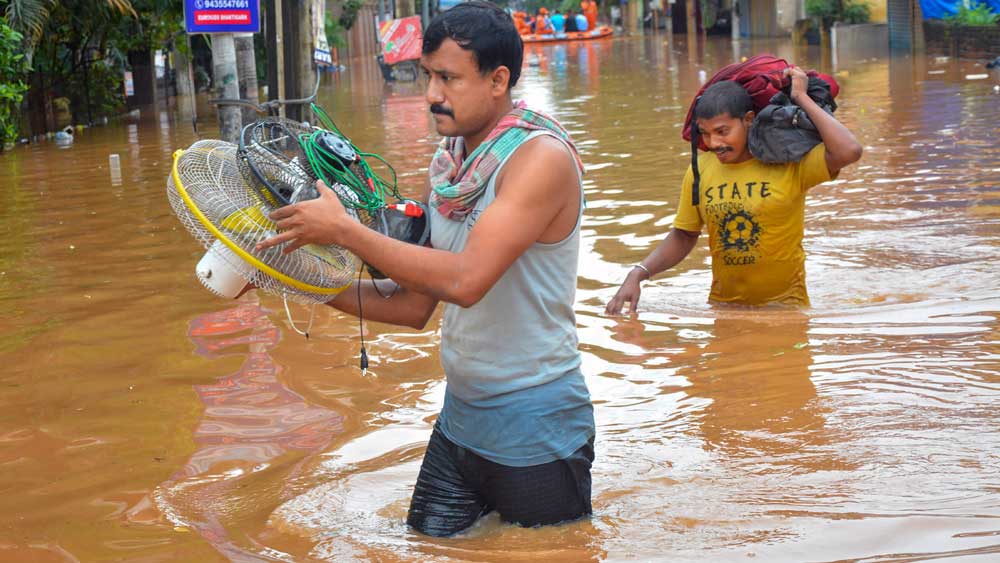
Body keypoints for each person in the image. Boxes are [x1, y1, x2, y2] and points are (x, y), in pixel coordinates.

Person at [257, 1, 595, 538]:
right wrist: (288, 274)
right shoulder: (450, 164)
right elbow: (413, 304)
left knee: (556, 551)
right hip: (461, 420)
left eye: (448, 78)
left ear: (497, 80)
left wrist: (346, 230)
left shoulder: (538, 159)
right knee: (426, 545)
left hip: (534, 424)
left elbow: (465, 282)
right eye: (426, 75)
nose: (432, 94)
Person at [605, 73, 862, 314]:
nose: (714, 143)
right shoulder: (700, 169)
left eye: (722, 131)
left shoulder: (787, 162)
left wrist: (801, 97)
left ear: (748, 120)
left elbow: (849, 150)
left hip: (786, 311)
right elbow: (684, 234)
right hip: (723, 310)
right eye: (705, 133)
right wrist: (638, 273)